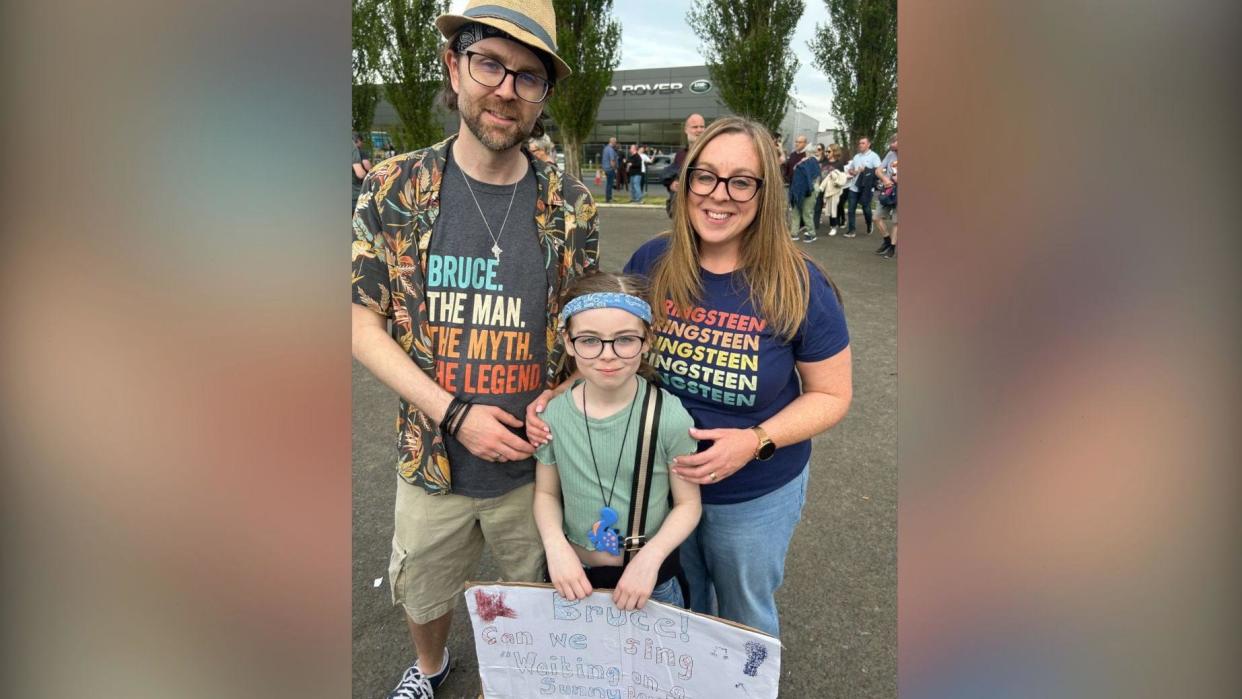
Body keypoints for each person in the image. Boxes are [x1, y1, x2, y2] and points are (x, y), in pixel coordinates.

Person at [350, 1, 599, 697]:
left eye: (528, 76)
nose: (506, 89)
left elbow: (581, 323)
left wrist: (564, 387)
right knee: (422, 588)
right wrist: (455, 412)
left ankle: (514, 681)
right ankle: (430, 669)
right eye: (489, 63)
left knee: (532, 593)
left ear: (543, 95)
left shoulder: (569, 203)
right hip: (431, 454)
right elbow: (359, 323)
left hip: (536, 464)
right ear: (453, 67)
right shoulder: (394, 187)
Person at [622, 116, 852, 638]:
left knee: (744, 621)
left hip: (754, 494)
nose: (719, 195)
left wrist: (755, 440)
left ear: (765, 192)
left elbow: (833, 395)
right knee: (679, 607)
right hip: (663, 482)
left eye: (741, 181)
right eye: (706, 176)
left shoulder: (800, 283)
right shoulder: (653, 260)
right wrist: (564, 394)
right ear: (686, 181)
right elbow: (618, 349)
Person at [533, 272, 702, 611]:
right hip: (572, 575)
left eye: (624, 339)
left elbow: (688, 505)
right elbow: (546, 493)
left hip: (650, 582)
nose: (607, 355)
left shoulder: (669, 417)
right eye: (589, 340)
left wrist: (650, 559)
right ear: (568, 341)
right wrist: (555, 547)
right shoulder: (554, 416)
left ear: (647, 339)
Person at [662, 113, 706, 218]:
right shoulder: (681, 154)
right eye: (695, 127)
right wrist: (671, 182)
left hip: (702, 212)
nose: (699, 130)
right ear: (686, 130)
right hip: (681, 213)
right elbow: (668, 172)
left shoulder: (712, 152)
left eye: (702, 126)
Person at [843, 136, 882, 238]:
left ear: (869, 144)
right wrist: (853, 171)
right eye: (859, 143)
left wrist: (867, 170)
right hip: (854, 186)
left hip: (866, 188)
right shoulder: (856, 157)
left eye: (863, 143)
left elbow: (879, 171)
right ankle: (851, 230)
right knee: (851, 209)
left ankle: (869, 223)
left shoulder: (874, 156)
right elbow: (851, 170)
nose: (860, 145)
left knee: (866, 208)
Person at [788, 151, 822, 243]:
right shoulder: (804, 162)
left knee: (806, 212)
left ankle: (811, 234)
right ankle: (794, 233)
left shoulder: (813, 162)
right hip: (800, 189)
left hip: (808, 189)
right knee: (797, 212)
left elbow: (815, 177)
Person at [822, 143, 848, 235]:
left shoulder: (839, 164)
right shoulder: (824, 162)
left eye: (829, 151)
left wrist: (835, 180)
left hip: (835, 190)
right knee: (828, 208)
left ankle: (834, 226)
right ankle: (833, 224)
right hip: (825, 188)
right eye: (826, 151)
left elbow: (842, 178)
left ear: (834, 152)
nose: (827, 153)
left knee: (834, 207)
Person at [874, 157, 898, 258]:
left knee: (897, 222)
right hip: (888, 190)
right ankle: (887, 241)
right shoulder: (891, 154)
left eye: (894, 142)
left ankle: (892, 247)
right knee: (876, 217)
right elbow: (878, 171)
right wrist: (884, 178)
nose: (892, 144)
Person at [352, 132, 373, 211]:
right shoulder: (358, 151)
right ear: (358, 141)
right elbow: (367, 166)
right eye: (362, 141)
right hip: (358, 191)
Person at [601, 136, 619, 202]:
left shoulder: (605, 148)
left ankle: (609, 197)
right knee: (610, 184)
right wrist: (615, 169)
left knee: (609, 184)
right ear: (613, 142)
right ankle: (608, 198)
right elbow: (612, 161)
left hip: (606, 168)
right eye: (615, 142)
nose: (616, 143)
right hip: (610, 169)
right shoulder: (611, 149)